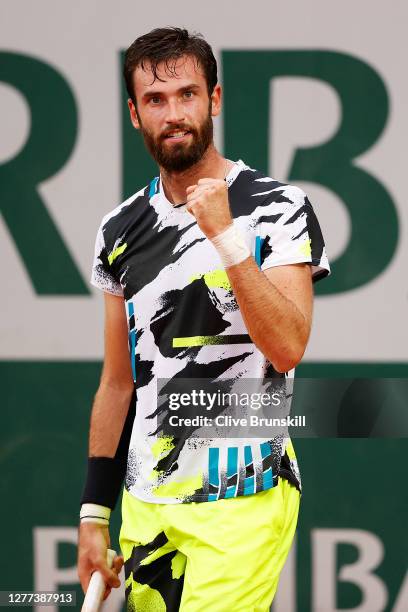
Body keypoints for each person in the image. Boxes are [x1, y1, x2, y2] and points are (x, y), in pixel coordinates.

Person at [77, 26, 330, 611]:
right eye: (156, 101)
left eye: (188, 95)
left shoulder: (278, 208)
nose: (174, 114)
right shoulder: (118, 230)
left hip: (244, 494)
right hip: (148, 502)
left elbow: (289, 346)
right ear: (135, 114)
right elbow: (119, 383)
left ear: (214, 99)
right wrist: (94, 513)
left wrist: (224, 235)